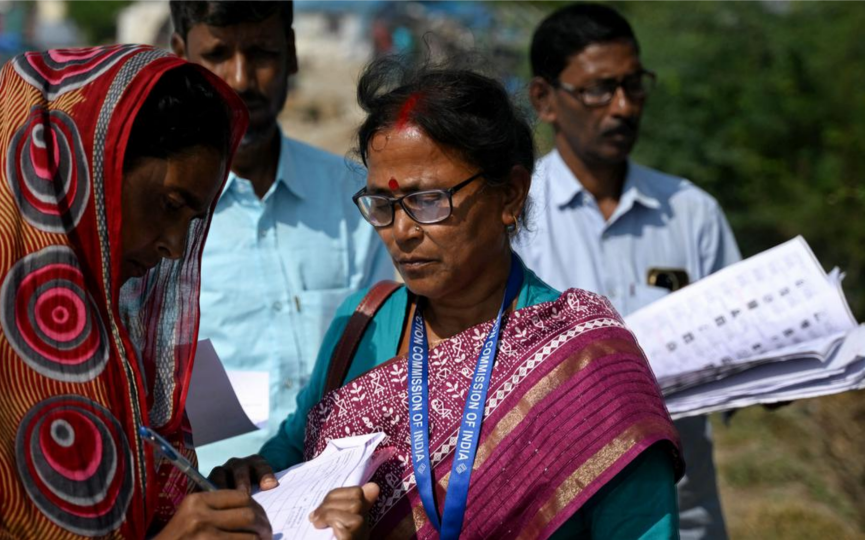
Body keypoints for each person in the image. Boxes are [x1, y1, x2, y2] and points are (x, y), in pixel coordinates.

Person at [232, 57, 685, 539]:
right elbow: (291, 454)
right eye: (382, 204)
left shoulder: (585, 362)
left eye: (428, 200)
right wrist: (255, 478)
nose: (401, 231)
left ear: (510, 195)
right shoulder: (364, 324)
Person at [0, 45, 272, 538]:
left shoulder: (119, 345)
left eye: (191, 221)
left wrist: (215, 494)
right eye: (168, 205)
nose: (174, 246)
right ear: (84, 170)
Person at [517, 4, 741, 539]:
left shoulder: (692, 212)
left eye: (633, 85)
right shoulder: (513, 218)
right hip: (557, 520)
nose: (623, 106)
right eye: (599, 90)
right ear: (544, 100)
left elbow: (743, 346)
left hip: (684, 516)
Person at [169, 0, 395, 469]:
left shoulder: (352, 195)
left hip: (347, 479)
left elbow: (381, 343)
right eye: (217, 55)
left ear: (291, 53)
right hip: (216, 487)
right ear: (180, 56)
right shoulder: (164, 215)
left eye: (261, 53)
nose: (240, 79)